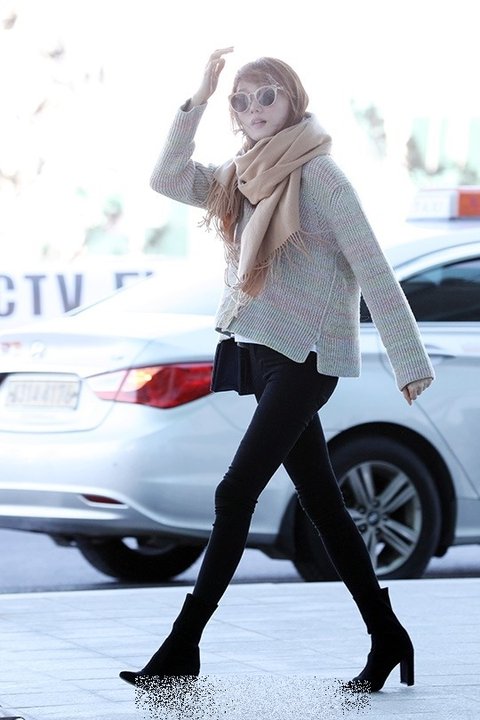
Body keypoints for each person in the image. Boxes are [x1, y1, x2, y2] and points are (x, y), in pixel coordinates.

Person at [120, 47, 434, 693]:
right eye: (242, 100)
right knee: (324, 503)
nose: (254, 108)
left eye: (267, 95)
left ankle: (182, 646)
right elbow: (166, 177)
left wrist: (409, 360)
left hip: (307, 357)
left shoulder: (321, 175)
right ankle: (387, 635)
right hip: (262, 350)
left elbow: (373, 267)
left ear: (294, 99)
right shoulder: (241, 174)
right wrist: (199, 97)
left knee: (234, 493)